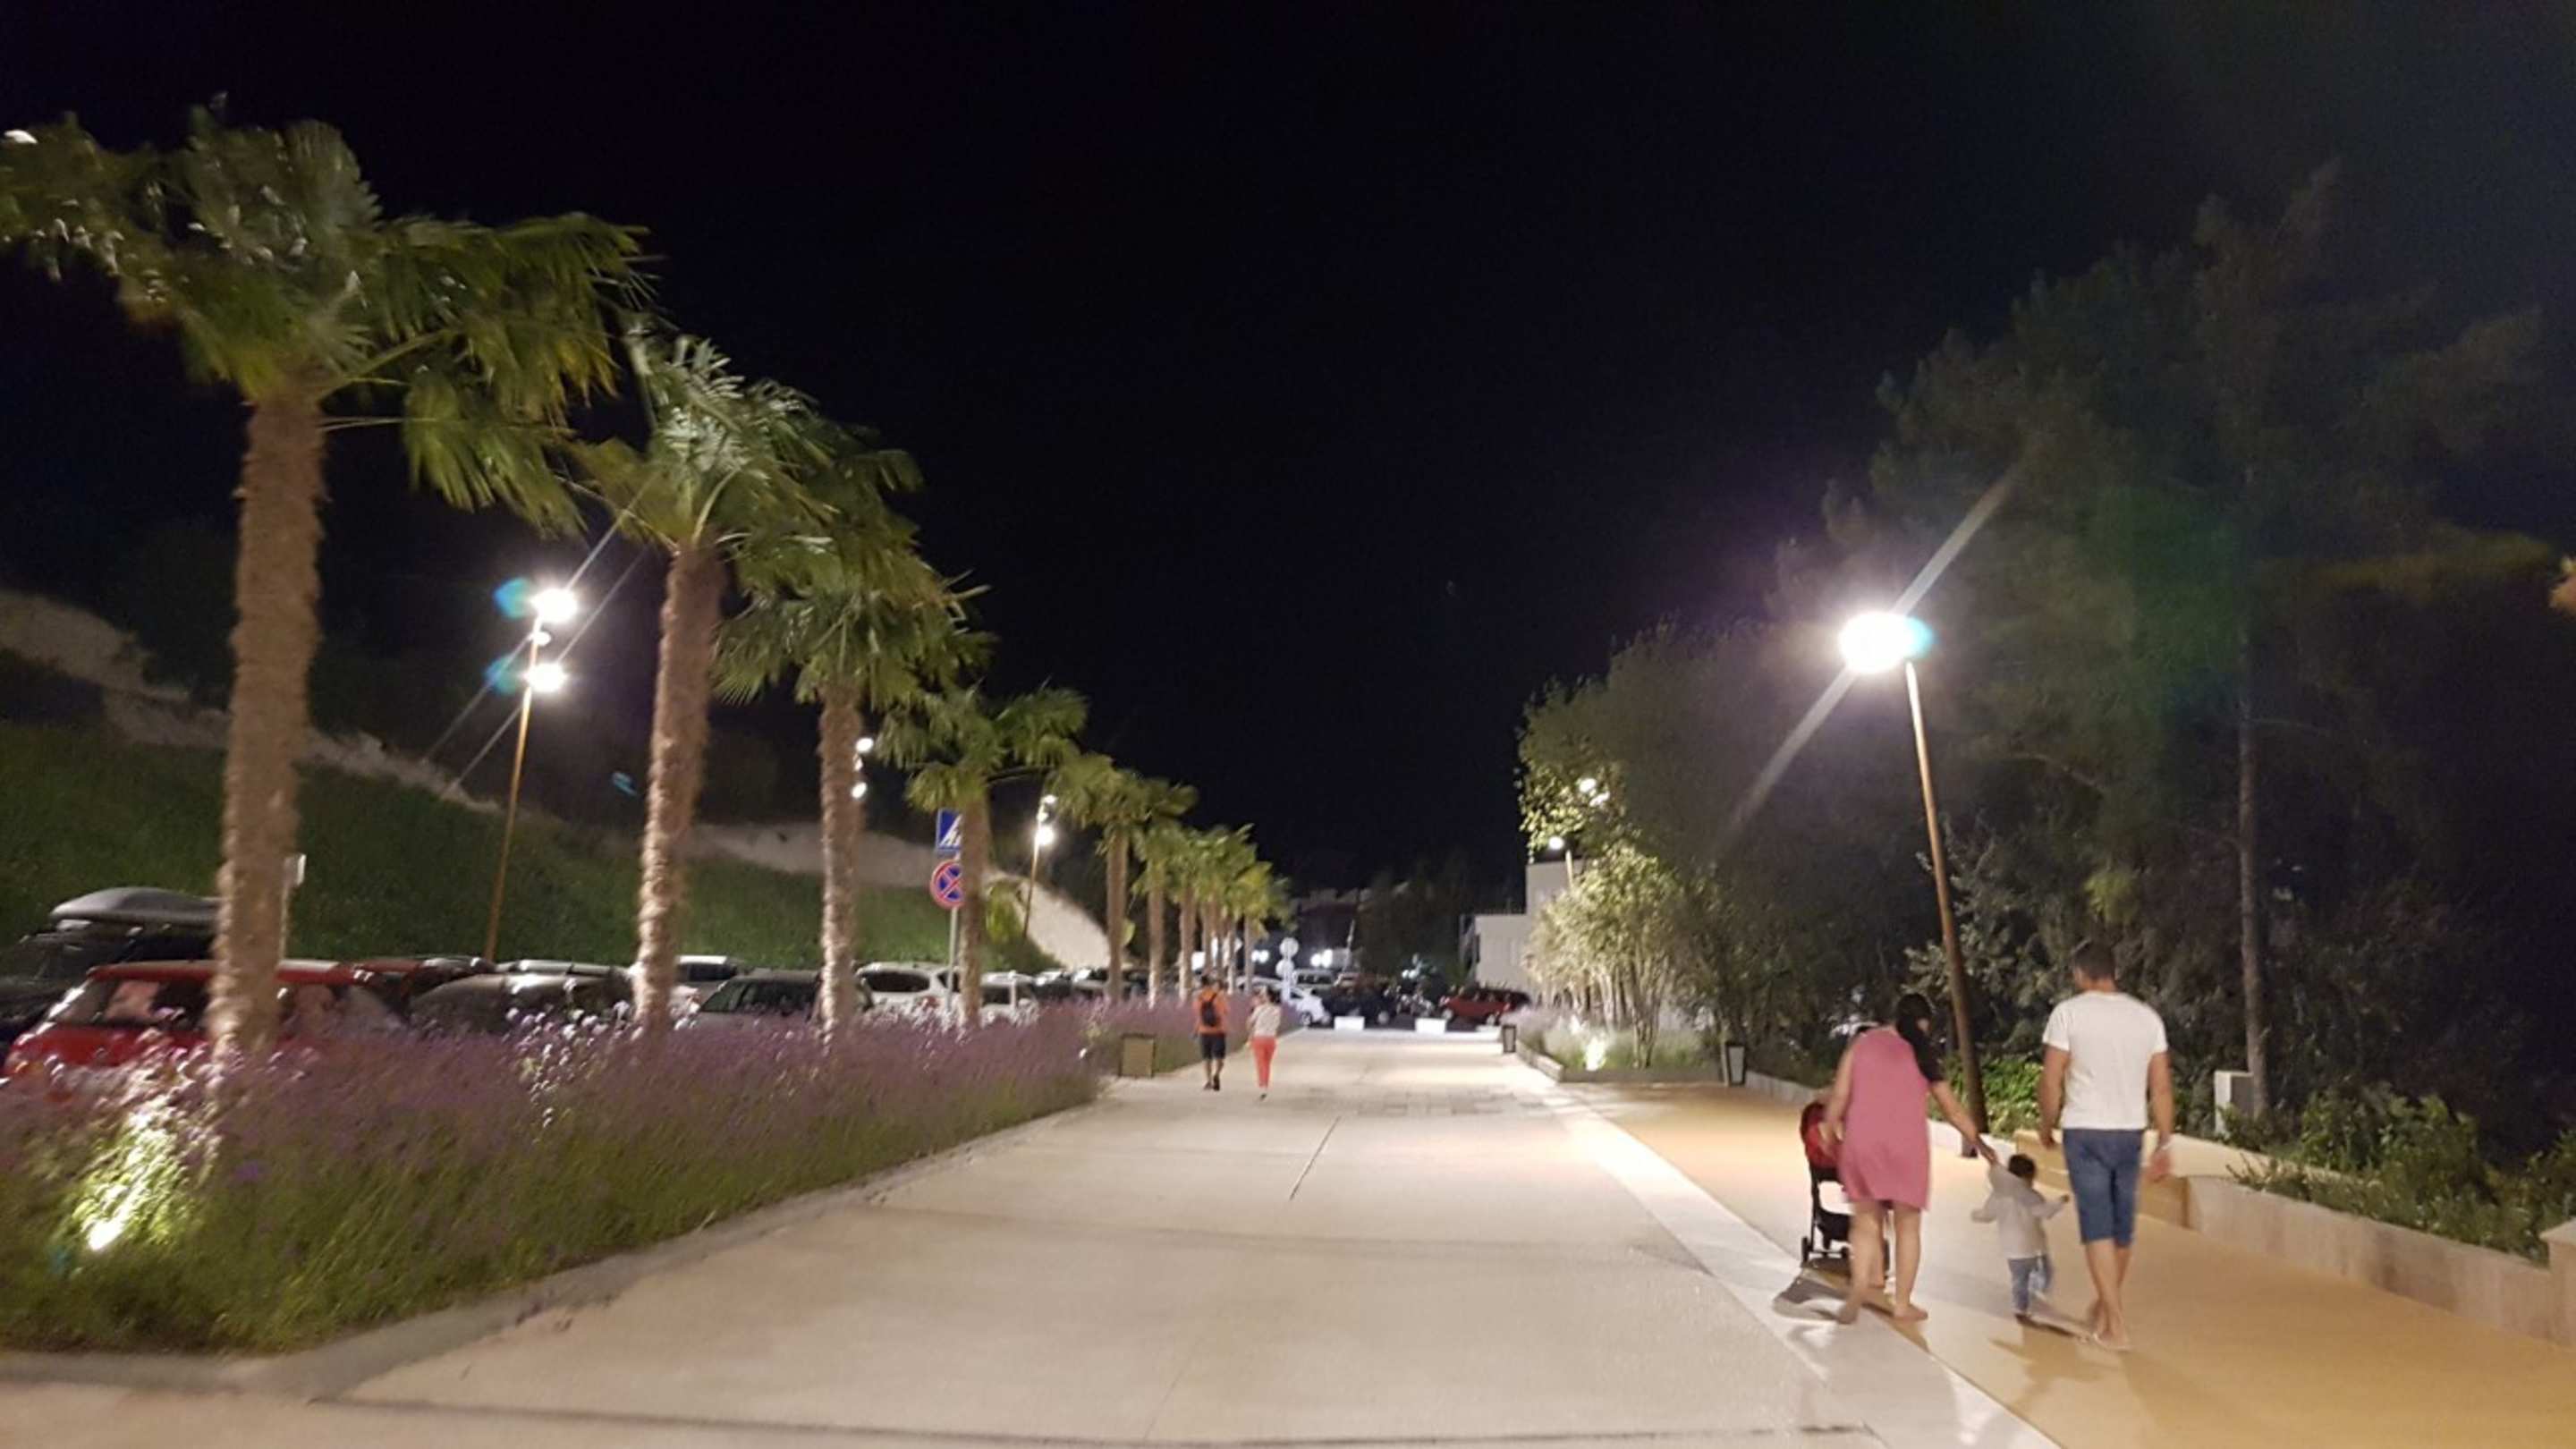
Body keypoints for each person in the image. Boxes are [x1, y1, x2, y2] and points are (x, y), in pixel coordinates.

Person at [1822, 991, 1996, 1324]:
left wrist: (1829, 1126)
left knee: (1865, 1221)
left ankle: (1859, 1287)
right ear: (1924, 1023)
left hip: (1863, 1142)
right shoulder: (1922, 1053)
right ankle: (1902, 1304)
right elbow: (1952, 1109)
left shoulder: (1862, 1044)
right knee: (1907, 1226)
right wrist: (1979, 1143)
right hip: (1906, 1147)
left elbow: (1841, 1094)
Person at [2038, 938, 2174, 1352]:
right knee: (2122, 1229)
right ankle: (2105, 1306)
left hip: (2085, 1132)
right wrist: (2165, 1142)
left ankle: (2115, 1325)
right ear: (2115, 972)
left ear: (2080, 974)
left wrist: (2046, 1124)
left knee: (2097, 1226)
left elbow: (2051, 1079)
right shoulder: (2147, 1018)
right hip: (2129, 1132)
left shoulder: (2068, 1014)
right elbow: (2161, 1087)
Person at [1971, 1153, 2069, 1321]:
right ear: (2026, 1177)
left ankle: (2020, 1307)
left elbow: (1987, 1214)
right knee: (2045, 1271)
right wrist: (2060, 1201)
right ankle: (2035, 1291)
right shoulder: (2031, 1196)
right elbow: (2045, 1211)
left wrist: (1976, 1214)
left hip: (2012, 1250)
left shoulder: (1998, 1194)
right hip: (2033, 1247)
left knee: (2019, 1279)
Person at [1193, 974, 1230, 1091]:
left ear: (1201, 984)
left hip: (1203, 1031)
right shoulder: (1219, 997)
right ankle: (1217, 1074)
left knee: (1206, 1058)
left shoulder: (1198, 998)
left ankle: (1208, 1081)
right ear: (1211, 984)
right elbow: (1226, 1011)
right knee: (1220, 1058)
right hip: (1219, 1031)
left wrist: (1195, 1030)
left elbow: (1198, 1016)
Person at [1248, 985, 1283, 1097]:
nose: (1261, 996)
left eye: (1263, 994)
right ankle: (1265, 1086)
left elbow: (1250, 1022)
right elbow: (1277, 1024)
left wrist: (1253, 1008)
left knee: (1260, 1064)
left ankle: (1263, 1086)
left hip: (1259, 1038)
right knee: (1267, 1064)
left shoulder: (1259, 1009)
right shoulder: (1277, 1010)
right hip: (1271, 1039)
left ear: (1268, 996)